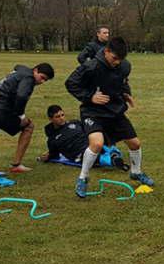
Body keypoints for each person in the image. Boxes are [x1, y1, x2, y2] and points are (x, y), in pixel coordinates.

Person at [65, 37, 155, 198]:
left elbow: (122, 82)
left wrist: (126, 93)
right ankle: (83, 178)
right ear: (106, 51)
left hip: (114, 111)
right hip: (92, 111)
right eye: (114, 58)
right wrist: (89, 97)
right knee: (97, 143)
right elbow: (71, 83)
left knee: (135, 143)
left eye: (120, 60)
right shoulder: (90, 66)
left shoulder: (124, 66)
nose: (117, 63)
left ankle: (136, 172)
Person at [38, 105, 127, 169]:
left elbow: (90, 129)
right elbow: (54, 154)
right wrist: (46, 157)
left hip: (90, 143)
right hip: (79, 152)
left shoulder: (74, 122)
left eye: (62, 115)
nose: (61, 118)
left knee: (98, 137)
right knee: (91, 157)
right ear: (50, 119)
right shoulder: (53, 138)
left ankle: (110, 152)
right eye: (57, 117)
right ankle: (112, 160)